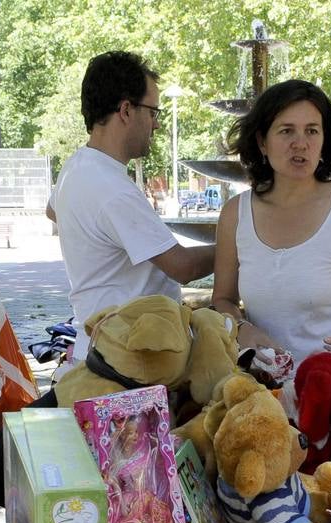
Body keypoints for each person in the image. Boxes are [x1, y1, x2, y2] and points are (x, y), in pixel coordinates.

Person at [210, 80, 331, 384]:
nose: (300, 143)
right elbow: (222, 299)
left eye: (312, 130)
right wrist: (242, 328)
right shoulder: (235, 213)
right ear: (262, 141)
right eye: (286, 131)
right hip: (267, 395)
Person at [48, 51, 215, 361]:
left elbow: (52, 210)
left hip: (103, 344)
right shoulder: (110, 188)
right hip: (129, 360)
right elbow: (184, 267)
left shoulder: (77, 166)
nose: (157, 124)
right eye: (153, 112)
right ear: (126, 110)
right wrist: (239, 242)